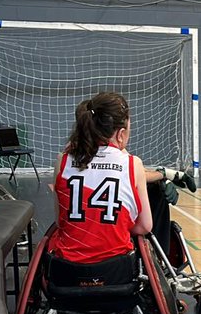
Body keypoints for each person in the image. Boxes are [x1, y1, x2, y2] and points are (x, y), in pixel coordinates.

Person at [49, 92, 153, 263]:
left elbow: (60, 222)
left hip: (68, 270)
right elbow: (145, 226)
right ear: (120, 133)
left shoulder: (63, 160)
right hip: (116, 270)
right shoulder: (133, 164)